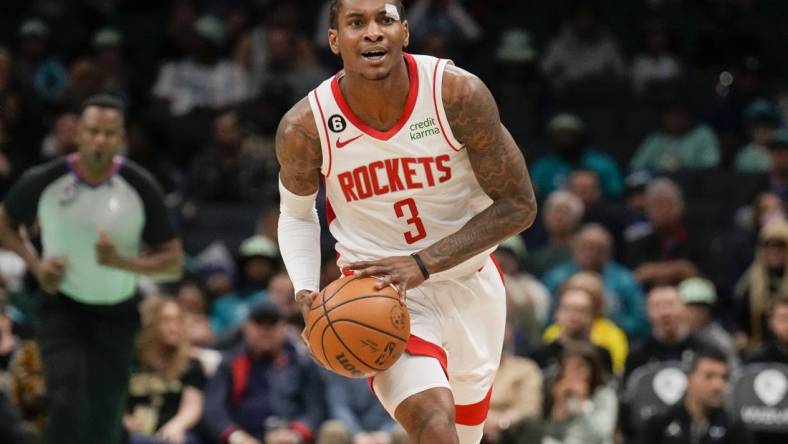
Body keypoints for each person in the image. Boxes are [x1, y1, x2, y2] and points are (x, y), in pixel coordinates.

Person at [275, 1, 537, 443]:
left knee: (464, 436)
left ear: (405, 33)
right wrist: (305, 290)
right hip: (380, 295)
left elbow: (520, 205)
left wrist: (422, 263)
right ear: (335, 39)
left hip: (471, 286)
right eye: (356, 23)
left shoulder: (456, 95)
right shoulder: (306, 126)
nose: (373, 32)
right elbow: (297, 214)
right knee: (434, 424)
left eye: (385, 20)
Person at [0, 94, 183, 444]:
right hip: (61, 308)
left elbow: (172, 263)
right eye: (93, 131)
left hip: (117, 313)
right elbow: (4, 222)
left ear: (121, 137)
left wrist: (121, 262)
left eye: (109, 133)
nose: (100, 139)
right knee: (67, 401)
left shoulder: (141, 186)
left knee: (106, 413)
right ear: (78, 133)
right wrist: (36, 266)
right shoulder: (45, 180)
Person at [203, 301, 325, 444]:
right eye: (259, 323)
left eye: (272, 323)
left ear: (284, 327)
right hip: (245, 437)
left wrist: (296, 433)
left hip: (291, 437)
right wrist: (236, 436)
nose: (266, 329)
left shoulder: (302, 362)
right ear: (246, 327)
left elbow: (315, 408)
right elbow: (214, 409)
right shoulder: (230, 363)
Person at [543, 224, 648, 339]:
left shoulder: (625, 279)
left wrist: (606, 326)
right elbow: (546, 318)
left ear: (609, 252)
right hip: (563, 335)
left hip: (614, 336)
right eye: (586, 247)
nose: (592, 253)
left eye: (599, 249)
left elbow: (640, 320)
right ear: (575, 248)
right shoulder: (556, 278)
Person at [124, 297, 205, 444]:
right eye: (166, 321)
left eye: (178, 321)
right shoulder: (130, 361)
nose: (173, 328)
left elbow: (193, 405)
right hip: (133, 432)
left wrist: (178, 425)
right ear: (150, 324)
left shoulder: (191, 364)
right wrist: (123, 419)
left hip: (171, 433)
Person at [637, 348, 754, 444]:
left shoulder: (735, 429)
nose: (718, 385)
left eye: (724, 378)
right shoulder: (658, 425)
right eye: (709, 376)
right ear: (689, 379)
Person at [542, 343, 618, 444]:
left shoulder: (605, 395)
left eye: (579, 367)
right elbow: (551, 434)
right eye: (568, 368)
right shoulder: (560, 392)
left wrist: (583, 405)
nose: (573, 373)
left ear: (592, 369)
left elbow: (602, 433)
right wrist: (559, 408)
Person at [528, 286, 613, 375]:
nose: (575, 317)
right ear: (557, 314)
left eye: (582, 311)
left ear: (593, 317)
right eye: (569, 309)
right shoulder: (538, 355)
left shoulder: (602, 355)